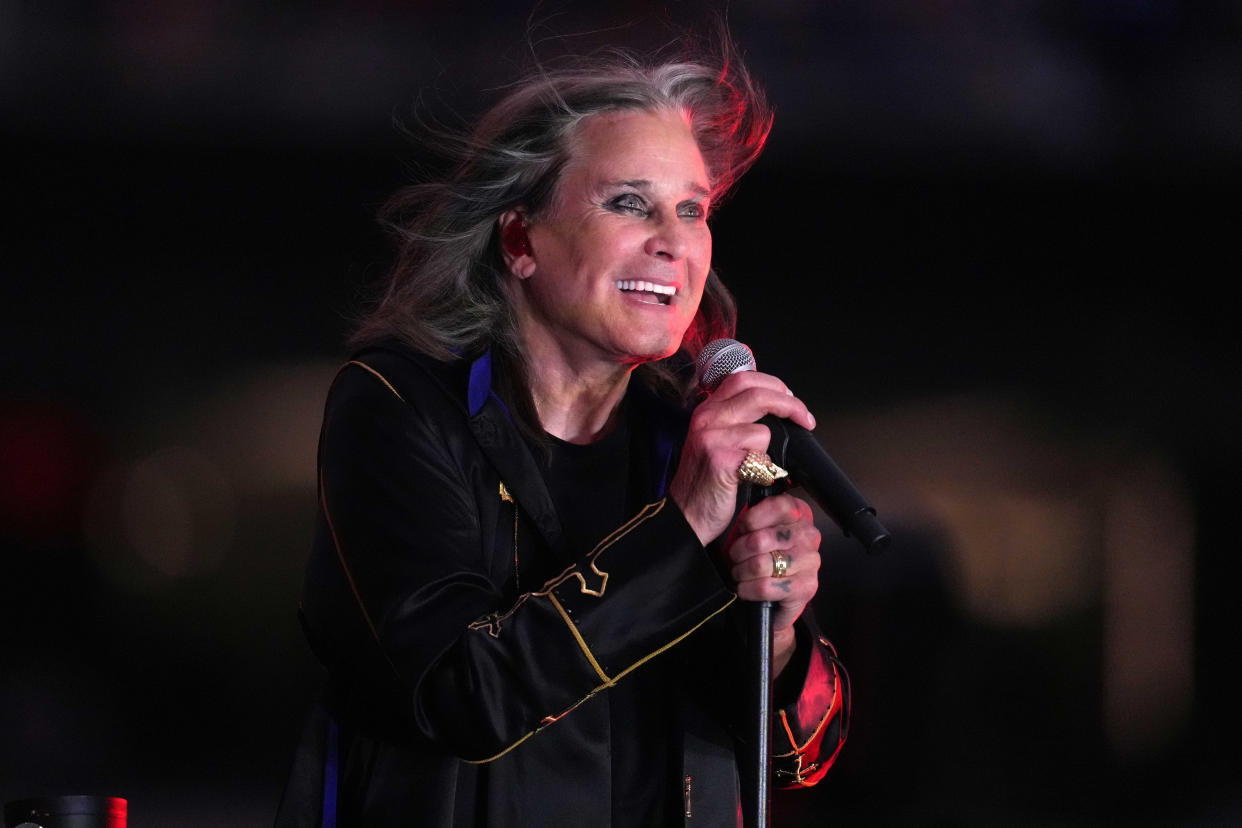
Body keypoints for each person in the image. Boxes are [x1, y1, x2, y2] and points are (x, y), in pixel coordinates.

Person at [276, 42, 848, 828]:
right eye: (628, 203)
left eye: (692, 210)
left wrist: (776, 637)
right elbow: (461, 693)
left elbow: (803, 756)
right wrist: (681, 533)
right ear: (519, 241)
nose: (673, 241)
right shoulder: (397, 403)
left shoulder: (700, 434)